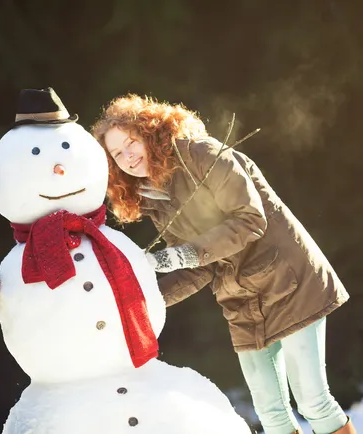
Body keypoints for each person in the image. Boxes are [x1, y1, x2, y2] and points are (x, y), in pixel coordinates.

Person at [90, 94, 355, 434]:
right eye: (117, 153)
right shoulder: (155, 198)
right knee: (272, 414)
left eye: (131, 143)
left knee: (313, 402)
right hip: (242, 302)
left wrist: (181, 254)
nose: (127, 156)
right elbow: (199, 267)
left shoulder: (202, 155)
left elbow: (250, 220)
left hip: (288, 282)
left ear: (150, 133)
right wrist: (141, 299)